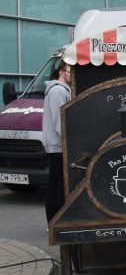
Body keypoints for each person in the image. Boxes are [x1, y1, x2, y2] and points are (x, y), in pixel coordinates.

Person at [41, 62, 71, 224]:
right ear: (61, 72)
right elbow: (60, 121)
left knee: (55, 183)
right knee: (60, 184)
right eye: (69, 70)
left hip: (56, 145)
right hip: (59, 145)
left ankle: (53, 222)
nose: (72, 74)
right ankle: (57, 222)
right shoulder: (58, 91)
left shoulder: (59, 90)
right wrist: (71, 140)